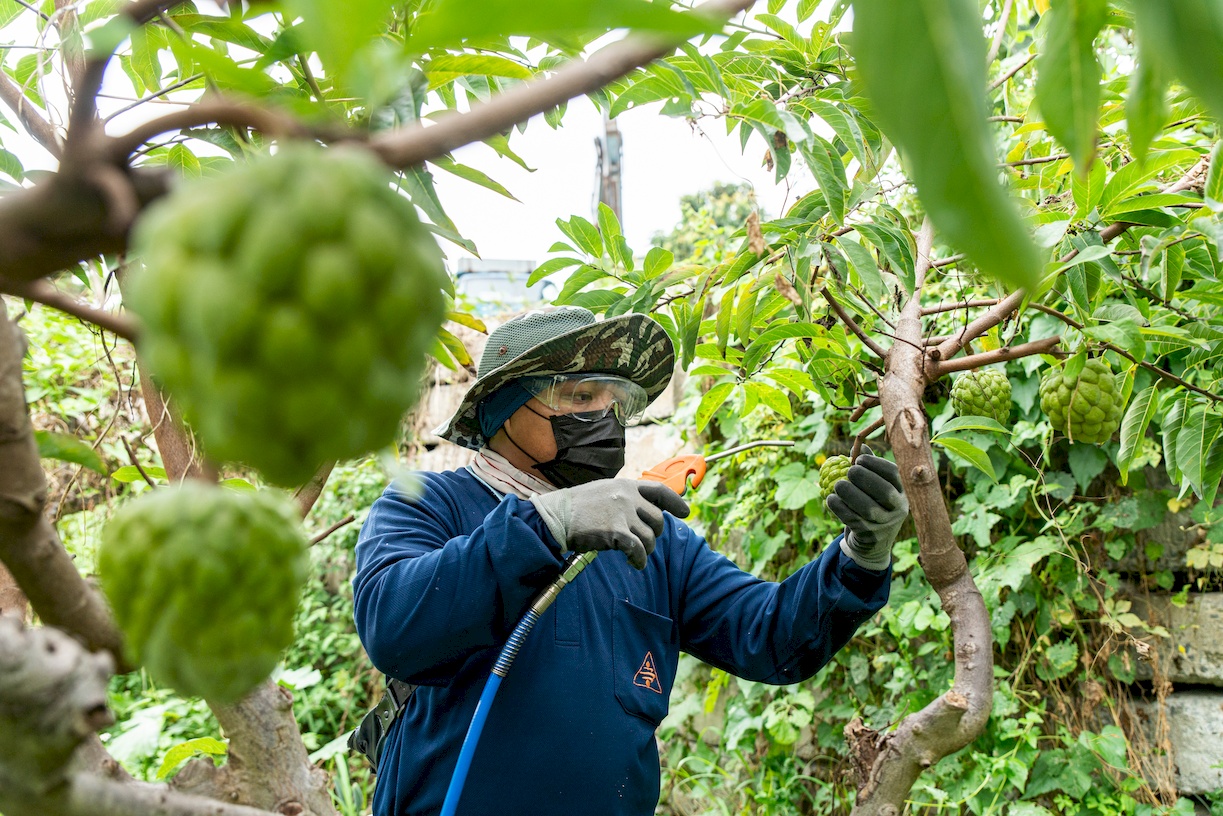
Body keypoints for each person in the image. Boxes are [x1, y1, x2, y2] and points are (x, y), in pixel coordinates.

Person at [352, 306, 909, 816]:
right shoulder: (427, 504)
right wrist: (547, 522)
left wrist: (861, 555)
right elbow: (394, 626)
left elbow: (769, 636)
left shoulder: (652, 538)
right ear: (503, 406)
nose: (603, 416)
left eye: (612, 399)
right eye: (577, 396)